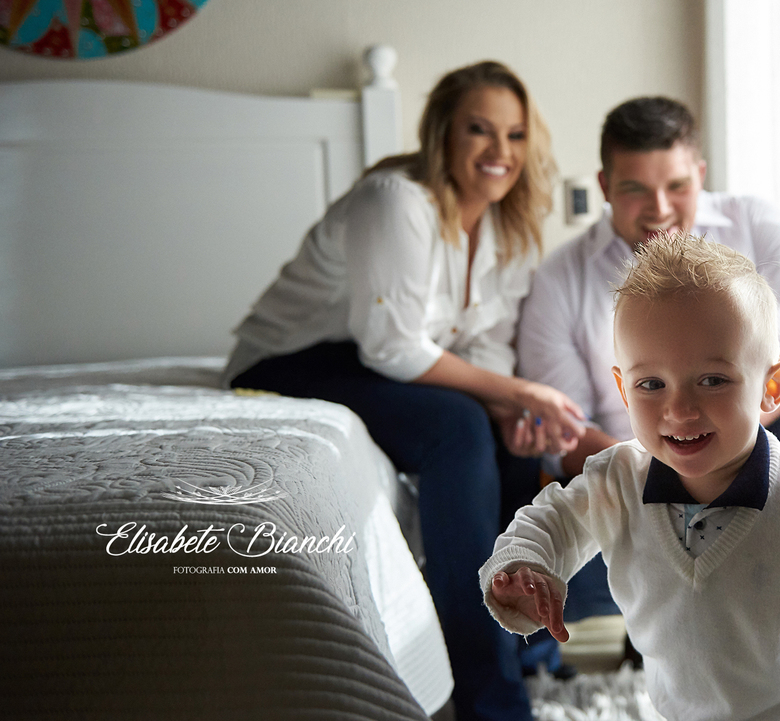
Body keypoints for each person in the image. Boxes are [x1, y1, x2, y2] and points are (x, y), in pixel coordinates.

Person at [223, 61, 586, 721]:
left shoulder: (510, 228)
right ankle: (488, 701)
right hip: (286, 362)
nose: (499, 151)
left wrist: (512, 409)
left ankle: (524, 651)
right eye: (479, 130)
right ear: (443, 133)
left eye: (514, 134)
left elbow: (483, 346)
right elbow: (389, 345)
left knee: (509, 444)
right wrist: (515, 393)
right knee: (457, 426)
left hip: (380, 362)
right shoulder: (395, 200)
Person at [482, 234, 780, 721]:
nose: (679, 409)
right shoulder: (617, 482)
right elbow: (551, 521)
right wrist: (525, 566)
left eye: (712, 380)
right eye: (651, 384)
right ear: (623, 390)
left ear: (770, 387)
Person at [516, 96, 780, 491]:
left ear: (700, 174)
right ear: (604, 186)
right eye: (635, 189)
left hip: (763, 442)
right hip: (639, 477)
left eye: (677, 186)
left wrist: (731, 425)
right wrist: (667, 466)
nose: (659, 208)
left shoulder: (756, 225)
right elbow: (566, 427)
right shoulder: (560, 278)